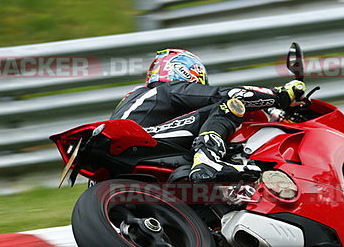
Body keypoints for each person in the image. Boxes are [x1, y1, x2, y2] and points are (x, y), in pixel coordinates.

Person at [111, 48, 306, 183]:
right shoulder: (168, 89)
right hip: (141, 139)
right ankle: (208, 160)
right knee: (228, 104)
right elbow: (226, 94)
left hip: (123, 157)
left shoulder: (138, 98)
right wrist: (281, 95)